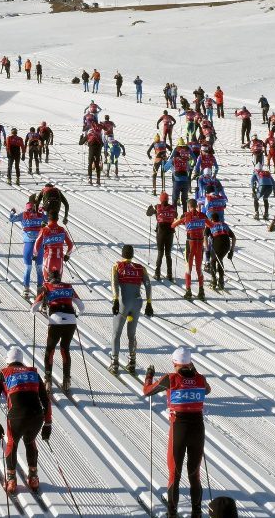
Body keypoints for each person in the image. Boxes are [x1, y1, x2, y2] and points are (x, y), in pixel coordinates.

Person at [143, 347, 211, 518]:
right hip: (198, 428)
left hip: (179, 428)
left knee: (175, 473)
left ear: (174, 363)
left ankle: (172, 513)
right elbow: (207, 390)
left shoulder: (171, 378)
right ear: (190, 363)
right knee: (194, 473)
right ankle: (196, 512)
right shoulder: (200, 379)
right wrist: (194, 371)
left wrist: (149, 375)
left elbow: (147, 391)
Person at [0, 346, 51, 494]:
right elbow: (46, 400)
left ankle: (11, 479)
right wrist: (48, 423)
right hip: (37, 416)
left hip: (17, 416)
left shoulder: (3, 374)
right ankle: (33, 477)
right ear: (21, 361)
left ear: (8, 361)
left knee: (12, 443)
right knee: (30, 441)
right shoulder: (34, 374)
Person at [109, 245, 153, 374]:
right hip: (137, 302)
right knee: (131, 334)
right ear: (132, 255)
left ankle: (114, 363)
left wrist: (115, 300)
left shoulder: (117, 266)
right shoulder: (140, 268)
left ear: (122, 254)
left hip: (123, 302)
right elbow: (148, 285)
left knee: (116, 333)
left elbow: (114, 283)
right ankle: (132, 362)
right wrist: (149, 303)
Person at [9, 202, 48, 296]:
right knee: (39, 268)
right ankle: (40, 288)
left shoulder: (23, 215)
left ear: (27, 209)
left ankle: (26, 289)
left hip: (28, 245)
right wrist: (44, 211)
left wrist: (12, 212)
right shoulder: (40, 215)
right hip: (39, 246)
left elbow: (11, 219)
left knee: (28, 268)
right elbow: (48, 219)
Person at [173, 199, 208, 300]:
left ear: (188, 206)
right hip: (200, 245)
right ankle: (201, 291)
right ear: (196, 206)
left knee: (188, 269)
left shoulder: (186, 215)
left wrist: (181, 222)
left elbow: (173, 225)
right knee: (199, 269)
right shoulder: (202, 215)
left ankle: (188, 291)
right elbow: (211, 225)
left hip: (190, 244)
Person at [34, 212, 74, 284]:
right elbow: (70, 245)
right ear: (58, 219)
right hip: (59, 260)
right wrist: (67, 255)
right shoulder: (62, 230)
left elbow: (37, 243)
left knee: (46, 283)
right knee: (58, 283)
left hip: (48, 259)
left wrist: (35, 254)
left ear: (48, 219)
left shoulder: (44, 229)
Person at [147, 193, 177, 282]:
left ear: (160, 199)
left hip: (160, 233)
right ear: (168, 199)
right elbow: (176, 215)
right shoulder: (172, 208)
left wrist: (150, 209)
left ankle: (157, 274)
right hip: (170, 233)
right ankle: (170, 274)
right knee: (168, 254)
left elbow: (148, 214)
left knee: (160, 253)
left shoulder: (157, 207)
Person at [206, 213, 236, 291]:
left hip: (217, 243)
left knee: (213, 260)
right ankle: (221, 281)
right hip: (226, 245)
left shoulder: (210, 225)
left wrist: (207, 250)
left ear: (211, 219)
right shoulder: (224, 225)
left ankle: (213, 280)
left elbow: (205, 237)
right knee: (220, 259)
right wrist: (231, 251)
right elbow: (234, 237)